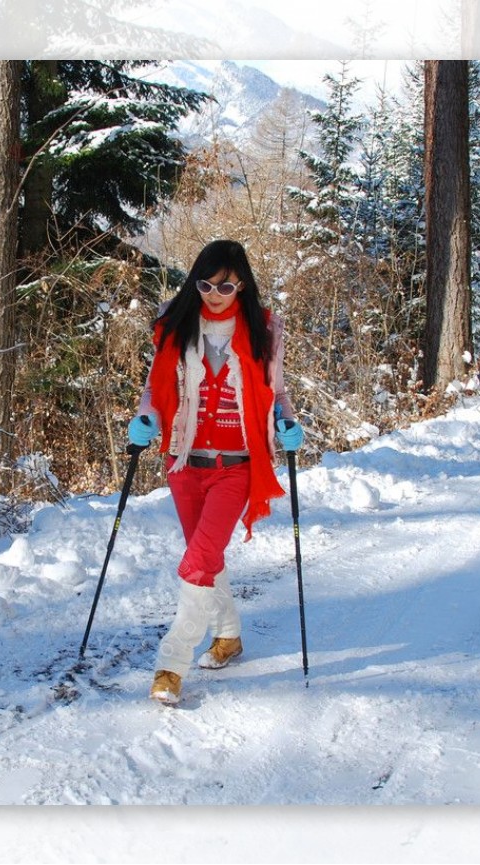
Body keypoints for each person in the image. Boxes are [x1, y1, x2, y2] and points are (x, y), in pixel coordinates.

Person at [127, 239, 304, 705]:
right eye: (204, 283)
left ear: (241, 283)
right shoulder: (175, 322)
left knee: (196, 562)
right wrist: (147, 417)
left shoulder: (263, 330)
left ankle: (171, 662)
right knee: (207, 560)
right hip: (185, 463)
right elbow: (155, 386)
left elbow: (278, 393)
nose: (213, 293)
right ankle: (228, 636)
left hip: (237, 467)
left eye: (224, 285)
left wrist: (287, 423)